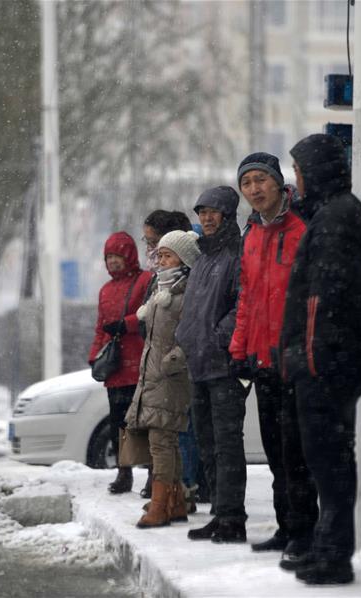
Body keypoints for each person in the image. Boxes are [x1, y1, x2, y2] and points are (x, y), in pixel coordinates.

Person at [280, 133, 361, 585]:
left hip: (328, 360)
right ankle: (327, 546)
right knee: (326, 458)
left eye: (298, 170)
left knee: (331, 459)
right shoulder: (334, 213)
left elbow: (322, 297)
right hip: (333, 356)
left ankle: (335, 555)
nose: (295, 180)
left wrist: (309, 358)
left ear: (315, 171)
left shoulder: (337, 218)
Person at [229, 152, 319, 564]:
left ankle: (305, 532)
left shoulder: (301, 227)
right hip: (262, 362)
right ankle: (286, 528)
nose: (253, 190)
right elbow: (247, 298)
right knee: (275, 453)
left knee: (297, 454)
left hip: (296, 362)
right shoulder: (251, 234)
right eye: (246, 184)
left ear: (278, 182)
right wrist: (239, 348)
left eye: (260, 180)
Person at [176, 186, 248, 544]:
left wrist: (217, 339)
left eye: (213, 212)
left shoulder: (236, 253)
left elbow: (241, 305)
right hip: (199, 366)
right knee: (207, 443)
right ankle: (220, 512)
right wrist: (187, 339)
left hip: (222, 367)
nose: (206, 218)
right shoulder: (203, 257)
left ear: (228, 214)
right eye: (202, 211)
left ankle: (233, 517)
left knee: (227, 445)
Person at [125, 229, 201, 528]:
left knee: (161, 442)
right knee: (166, 441)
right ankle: (176, 502)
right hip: (154, 375)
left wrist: (173, 360)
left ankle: (159, 506)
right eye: (161, 255)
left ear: (184, 260)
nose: (161, 260)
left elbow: (194, 333)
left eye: (168, 255)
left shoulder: (188, 294)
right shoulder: (161, 290)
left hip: (171, 377)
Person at [88, 232, 153, 495]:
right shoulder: (105, 290)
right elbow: (100, 329)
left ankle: (152, 473)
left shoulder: (145, 281)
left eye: (117, 256)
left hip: (139, 365)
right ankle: (123, 472)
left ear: (129, 256)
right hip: (115, 370)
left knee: (146, 423)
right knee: (119, 426)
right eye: (108, 257)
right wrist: (95, 356)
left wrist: (124, 325)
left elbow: (148, 316)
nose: (113, 262)